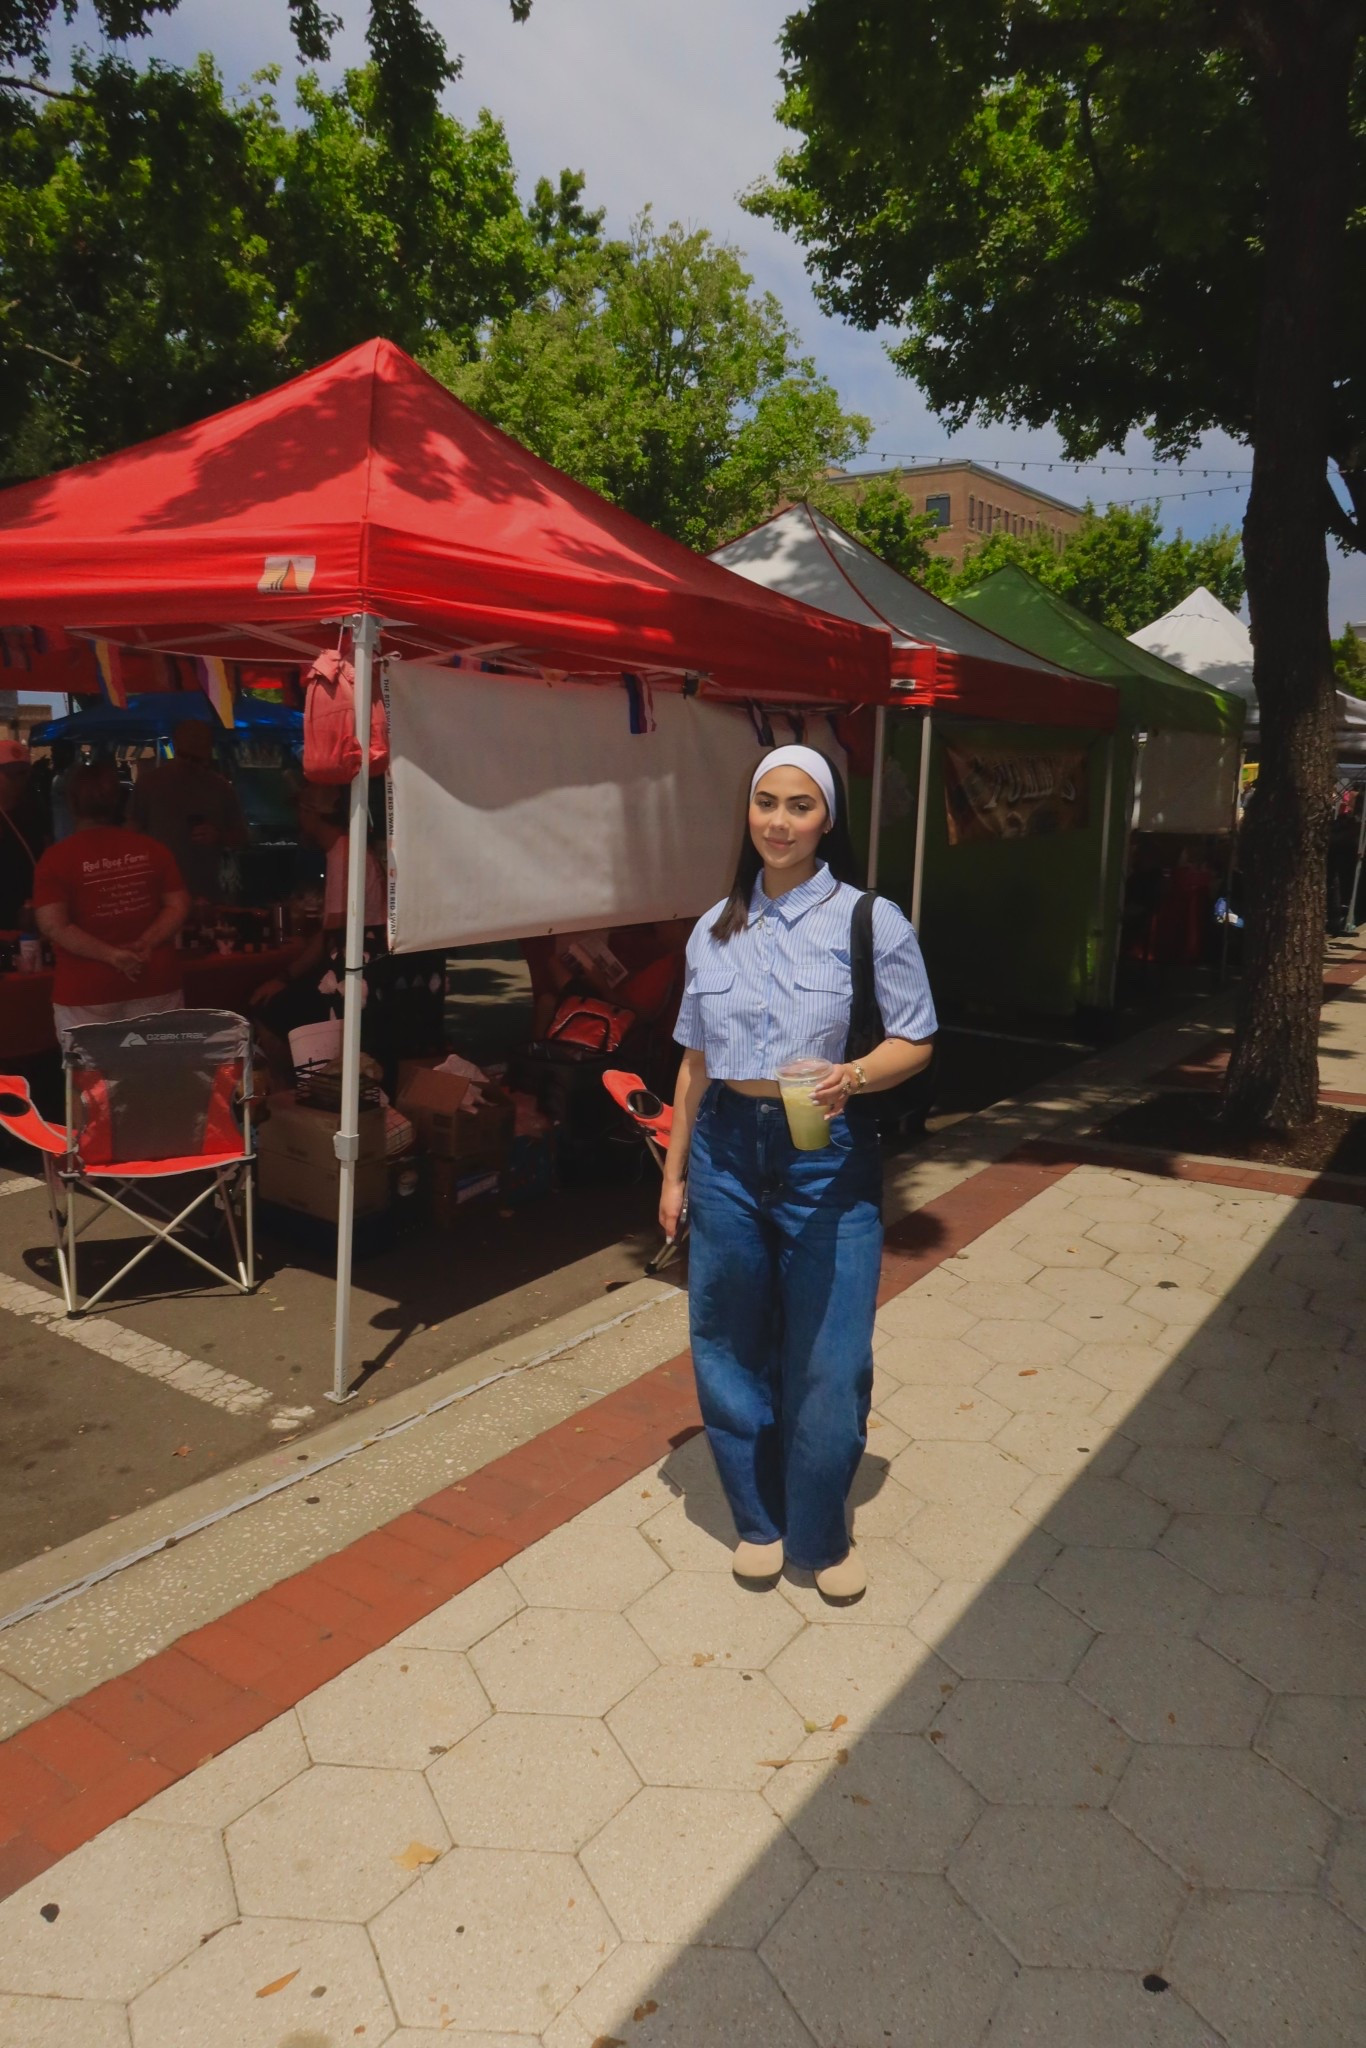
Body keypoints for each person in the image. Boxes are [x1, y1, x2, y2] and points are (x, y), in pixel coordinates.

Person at [660, 745, 936, 1605]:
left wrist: (852, 1074)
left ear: (828, 820)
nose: (779, 822)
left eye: (800, 805)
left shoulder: (870, 920)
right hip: (725, 1152)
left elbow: (916, 1039)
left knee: (831, 1355)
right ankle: (758, 1520)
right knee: (727, 1338)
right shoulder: (714, 926)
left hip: (826, 1151)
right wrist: (673, 1176)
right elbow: (694, 1063)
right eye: (766, 803)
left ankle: (819, 1530)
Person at [32, 760, 189, 1045]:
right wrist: (146, 943)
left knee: (92, 1072)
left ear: (71, 803)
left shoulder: (56, 859)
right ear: (118, 801)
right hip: (154, 980)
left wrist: (112, 956)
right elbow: (178, 906)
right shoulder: (153, 849)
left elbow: (53, 925)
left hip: (86, 991)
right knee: (159, 1068)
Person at [129, 718, 246, 902]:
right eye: (186, 756)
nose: (189, 764)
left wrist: (219, 836)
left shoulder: (220, 788)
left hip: (201, 890)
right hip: (162, 889)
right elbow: (131, 834)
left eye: (196, 758)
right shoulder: (149, 784)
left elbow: (242, 837)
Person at [0, 737, 48, 927]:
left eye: (23, 774)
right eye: (12, 775)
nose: (19, 781)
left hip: (33, 908)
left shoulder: (34, 810)